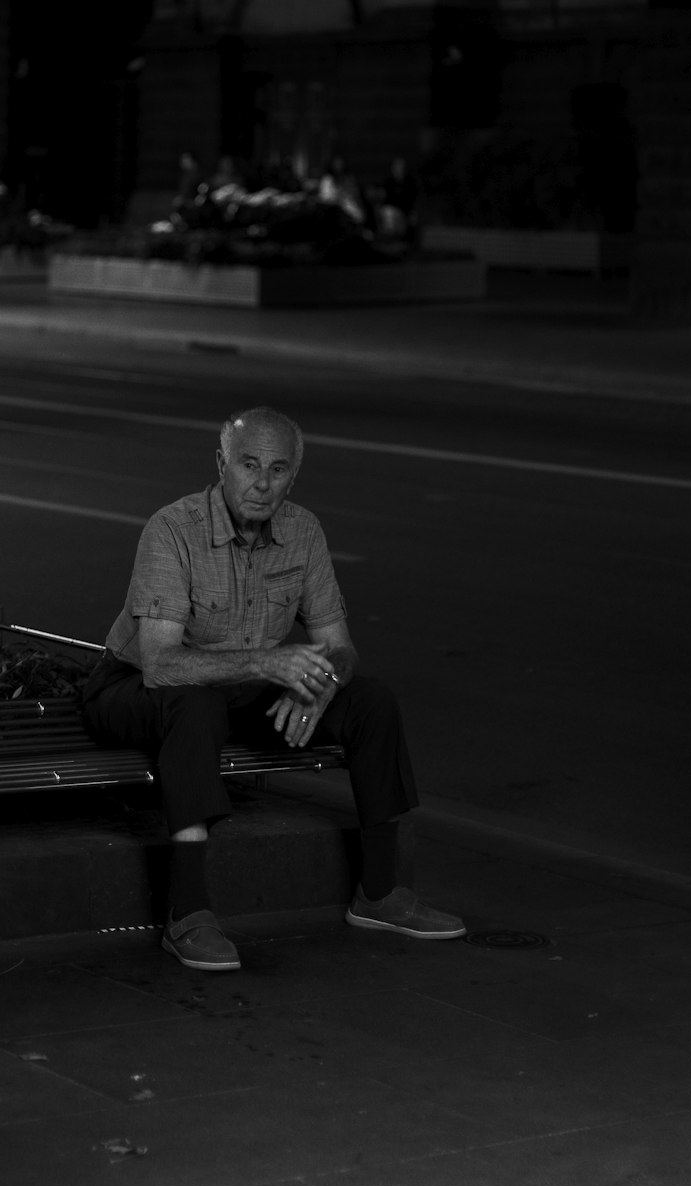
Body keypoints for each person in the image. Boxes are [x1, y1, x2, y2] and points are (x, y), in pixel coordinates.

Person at [82, 406, 466, 972]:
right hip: (134, 689)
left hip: (239, 689)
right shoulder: (173, 529)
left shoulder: (303, 531)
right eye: (249, 465)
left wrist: (322, 688)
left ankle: (380, 894)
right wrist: (269, 661)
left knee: (372, 702)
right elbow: (161, 666)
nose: (263, 483)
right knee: (194, 704)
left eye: (279, 469)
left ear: (294, 476)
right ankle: (187, 915)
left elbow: (340, 647)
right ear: (222, 464)